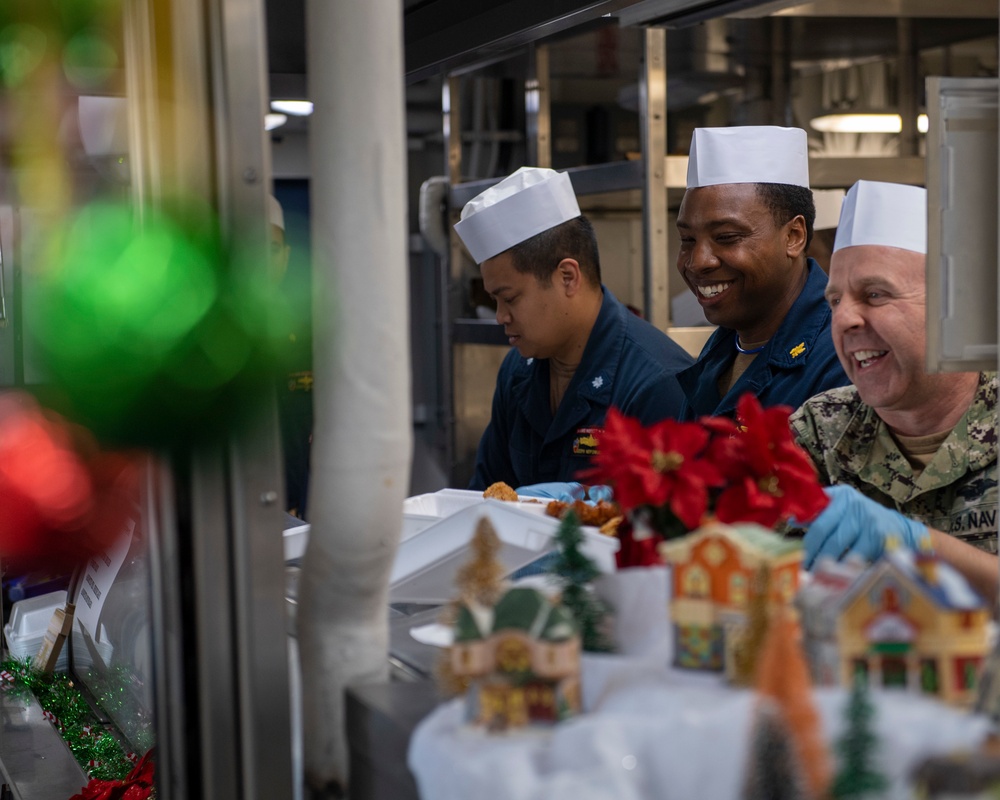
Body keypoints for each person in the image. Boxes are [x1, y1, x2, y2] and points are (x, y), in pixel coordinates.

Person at [790, 180, 997, 602]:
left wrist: (920, 546)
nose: (844, 319)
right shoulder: (818, 432)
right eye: (834, 301)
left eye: (874, 295)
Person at [454, 166, 693, 491]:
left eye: (509, 298)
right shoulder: (517, 371)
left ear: (568, 277)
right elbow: (487, 494)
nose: (500, 317)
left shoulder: (655, 383)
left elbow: (666, 526)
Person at [674, 125, 849, 419]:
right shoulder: (724, 348)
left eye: (727, 237)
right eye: (687, 240)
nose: (698, 261)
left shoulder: (842, 357)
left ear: (793, 236)